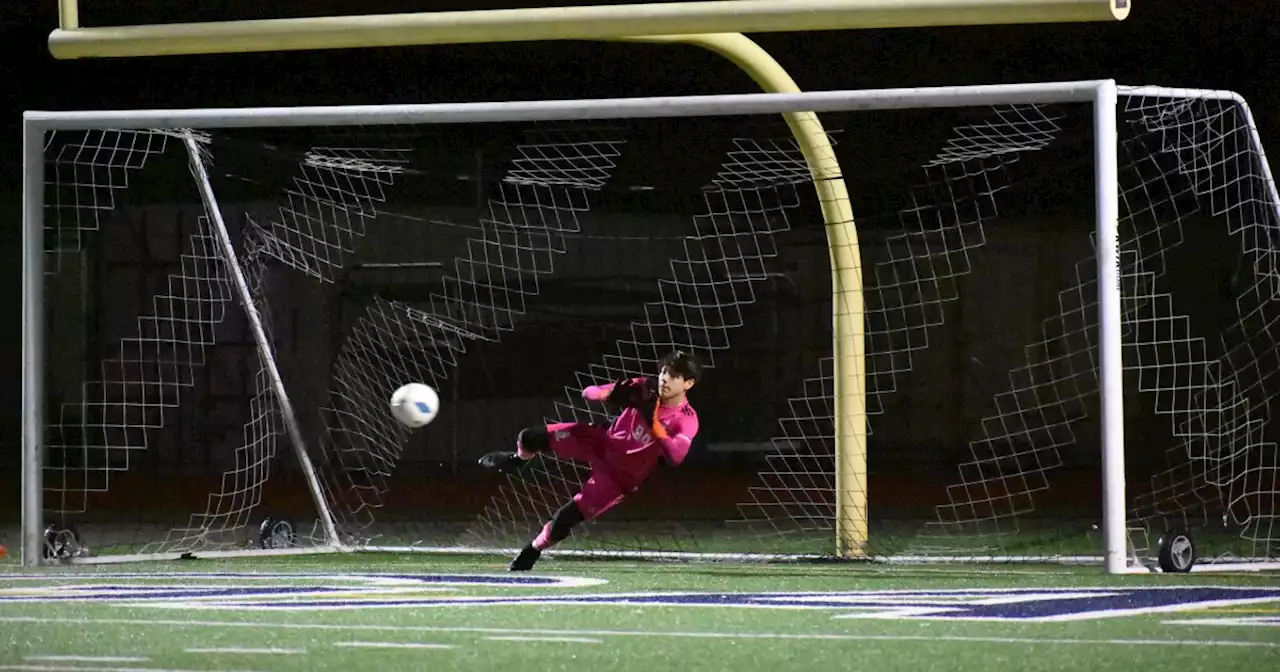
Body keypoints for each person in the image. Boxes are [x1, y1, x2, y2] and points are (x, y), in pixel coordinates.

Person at [478, 350, 701, 571]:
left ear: (688, 384)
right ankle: (519, 459)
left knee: (566, 517)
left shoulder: (686, 418)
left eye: (673, 376)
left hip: (619, 476)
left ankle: (532, 550)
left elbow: (676, 456)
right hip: (600, 441)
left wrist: (653, 423)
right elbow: (589, 391)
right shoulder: (645, 388)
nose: (664, 378)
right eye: (663, 372)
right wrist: (607, 396)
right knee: (530, 437)